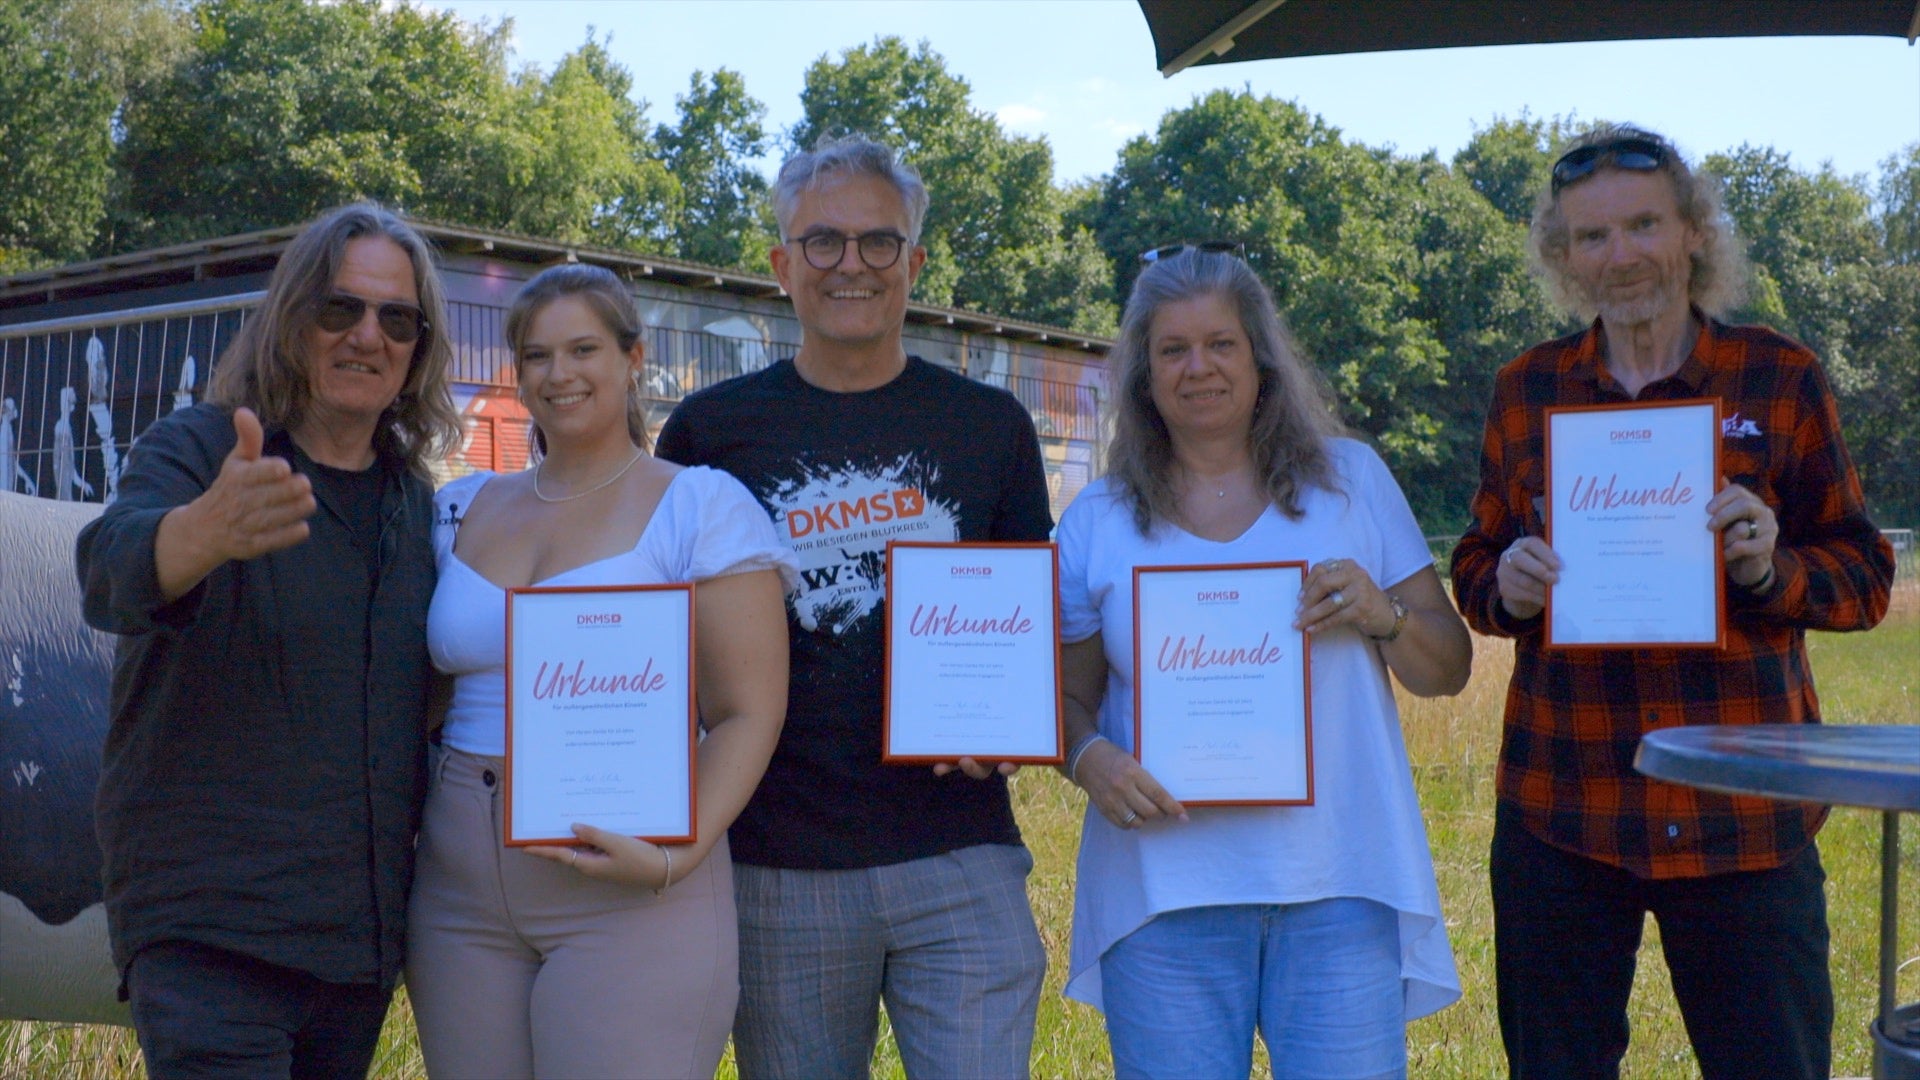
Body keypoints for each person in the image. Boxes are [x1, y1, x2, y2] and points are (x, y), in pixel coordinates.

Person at [1450, 124, 1896, 1080]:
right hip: (1563, 813)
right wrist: (1508, 590)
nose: (1623, 256)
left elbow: (1866, 578)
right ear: (1562, 258)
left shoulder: (1780, 376)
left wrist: (1772, 572)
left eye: (1644, 224)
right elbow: (1476, 568)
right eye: (1593, 237)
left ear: (1693, 232)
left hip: (1745, 818)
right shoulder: (1526, 390)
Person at [656, 133, 1052, 1078]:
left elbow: (1025, 630)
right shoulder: (710, 433)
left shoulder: (989, 426)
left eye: (879, 243)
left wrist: (1004, 720)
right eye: (823, 241)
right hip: (778, 866)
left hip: (960, 852)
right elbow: (663, 638)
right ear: (780, 263)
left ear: (914, 263)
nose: (851, 265)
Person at [1055, 246, 1470, 1079]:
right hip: (1162, 893)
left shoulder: (1350, 483)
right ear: (1143, 373)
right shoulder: (1098, 519)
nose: (1198, 367)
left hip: (1337, 885)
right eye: (1172, 349)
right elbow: (1066, 697)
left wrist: (1382, 615)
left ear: (1262, 358)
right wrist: (1088, 757)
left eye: (1222, 344)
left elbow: (1448, 666)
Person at [74, 202, 462, 1078]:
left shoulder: (414, 501)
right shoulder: (206, 448)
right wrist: (202, 531)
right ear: (291, 317)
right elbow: (106, 569)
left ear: (419, 348)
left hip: (354, 953)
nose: (368, 335)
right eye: (341, 308)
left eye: (396, 319)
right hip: (214, 938)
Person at [404, 263, 794, 1078]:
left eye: (584, 348)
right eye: (538, 356)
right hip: (458, 885)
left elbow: (747, 712)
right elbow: (425, 688)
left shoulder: (699, 506)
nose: (560, 374)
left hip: (628, 878)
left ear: (632, 358)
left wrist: (673, 856)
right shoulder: (461, 506)